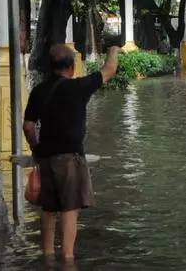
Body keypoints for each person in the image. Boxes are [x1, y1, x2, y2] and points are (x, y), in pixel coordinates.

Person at [22, 44, 120, 263]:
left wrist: (36, 149)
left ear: (50, 67)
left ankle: (47, 256)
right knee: (69, 208)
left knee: (48, 209)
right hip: (69, 159)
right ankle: (67, 259)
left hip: (45, 159)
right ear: (72, 66)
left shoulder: (39, 91)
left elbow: (28, 126)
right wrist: (114, 49)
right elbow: (109, 70)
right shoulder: (78, 87)